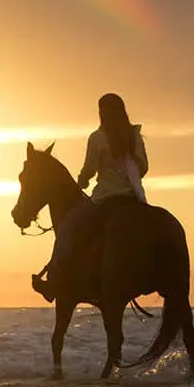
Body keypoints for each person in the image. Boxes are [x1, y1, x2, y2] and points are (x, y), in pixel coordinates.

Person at [33, 93, 149, 302]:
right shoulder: (134, 136)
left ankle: (52, 285)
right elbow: (144, 168)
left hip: (106, 198)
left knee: (68, 227)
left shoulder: (97, 138)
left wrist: (82, 182)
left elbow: (89, 169)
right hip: (134, 199)